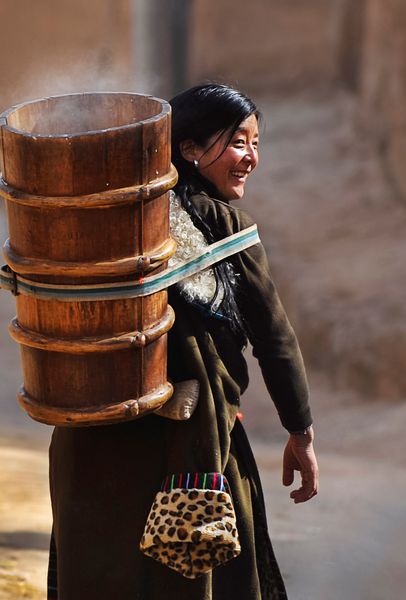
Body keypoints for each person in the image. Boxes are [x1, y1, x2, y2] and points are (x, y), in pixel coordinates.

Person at [48, 83, 319, 600]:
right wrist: (300, 433)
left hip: (88, 442)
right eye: (238, 141)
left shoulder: (109, 217)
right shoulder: (225, 227)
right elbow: (274, 340)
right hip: (188, 454)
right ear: (189, 149)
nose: (251, 158)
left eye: (257, 143)